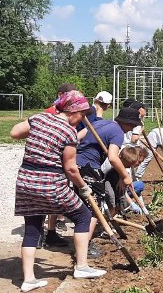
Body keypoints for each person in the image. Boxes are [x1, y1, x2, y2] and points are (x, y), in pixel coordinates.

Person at [9, 90, 105, 292]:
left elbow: (15, 132)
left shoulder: (39, 118)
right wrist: (84, 187)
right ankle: (82, 266)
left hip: (26, 181)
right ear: (73, 111)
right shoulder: (68, 132)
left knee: (33, 227)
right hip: (50, 183)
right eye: (82, 114)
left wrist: (40, 134)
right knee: (83, 216)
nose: (82, 119)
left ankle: (29, 279)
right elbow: (70, 168)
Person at [74, 107, 140, 259]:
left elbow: (78, 137)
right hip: (89, 168)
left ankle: (82, 242)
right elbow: (113, 157)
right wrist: (125, 176)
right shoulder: (118, 133)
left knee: (84, 207)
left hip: (76, 164)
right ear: (127, 123)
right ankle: (85, 246)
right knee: (93, 210)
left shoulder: (102, 124)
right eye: (133, 125)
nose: (133, 128)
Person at [41, 83, 76, 248]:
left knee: (54, 198)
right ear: (60, 94)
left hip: (62, 159)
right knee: (44, 198)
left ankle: (51, 231)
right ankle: (40, 233)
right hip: (48, 160)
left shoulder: (70, 113)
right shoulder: (50, 112)